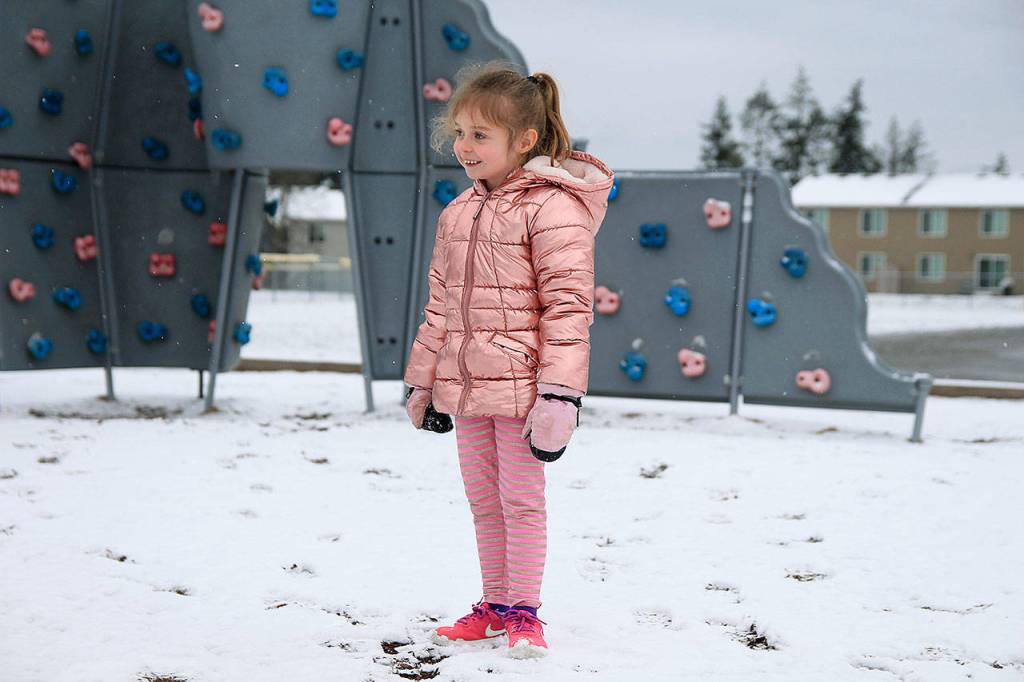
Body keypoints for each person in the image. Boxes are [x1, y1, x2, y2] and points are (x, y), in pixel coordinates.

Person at [402, 61, 614, 658]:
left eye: (480, 135)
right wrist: (424, 383)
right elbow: (439, 307)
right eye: (461, 133)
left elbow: (569, 310)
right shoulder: (457, 213)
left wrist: (560, 396)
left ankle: (525, 611)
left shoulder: (553, 210)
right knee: (483, 500)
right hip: (466, 388)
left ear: (524, 141)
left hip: (523, 391)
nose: (465, 147)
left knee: (521, 501)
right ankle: (494, 604)